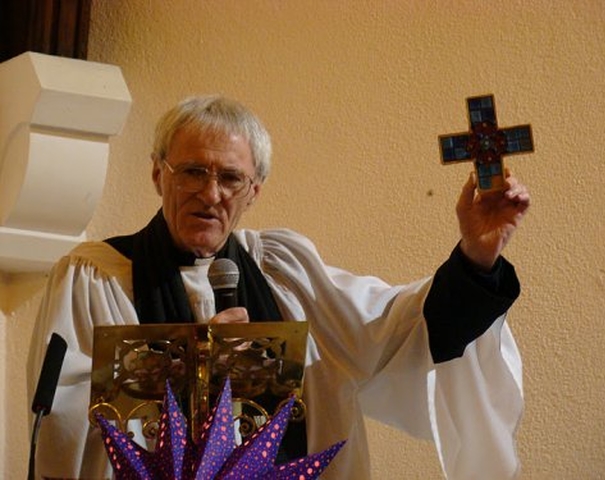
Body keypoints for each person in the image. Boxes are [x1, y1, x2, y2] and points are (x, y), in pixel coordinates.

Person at [28, 95, 530, 480]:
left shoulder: (284, 271)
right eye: (193, 171)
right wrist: (186, 367)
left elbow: (399, 330)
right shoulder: (94, 276)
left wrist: (476, 255)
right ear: (159, 173)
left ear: (254, 192)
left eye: (231, 178)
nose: (210, 193)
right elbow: (61, 425)